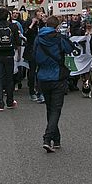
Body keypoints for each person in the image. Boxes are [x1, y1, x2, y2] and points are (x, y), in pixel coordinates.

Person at [33, 15, 76, 152]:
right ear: (57, 26)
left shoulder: (38, 38)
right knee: (56, 109)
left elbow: (34, 55)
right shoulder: (59, 38)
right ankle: (47, 137)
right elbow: (70, 49)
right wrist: (65, 36)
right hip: (57, 76)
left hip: (43, 76)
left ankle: (56, 139)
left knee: (50, 108)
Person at [24, 8, 44, 102]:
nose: (41, 14)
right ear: (35, 13)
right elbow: (26, 34)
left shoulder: (43, 23)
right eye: (39, 12)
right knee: (32, 71)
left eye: (42, 12)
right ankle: (32, 91)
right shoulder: (29, 22)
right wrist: (32, 24)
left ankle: (40, 91)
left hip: (41, 50)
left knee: (40, 71)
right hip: (31, 49)